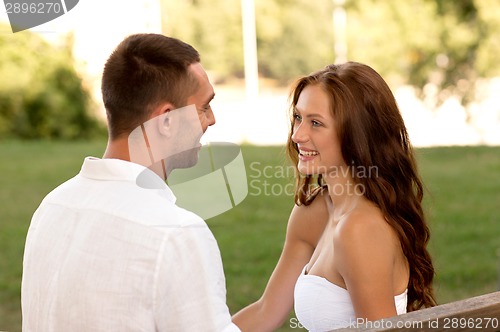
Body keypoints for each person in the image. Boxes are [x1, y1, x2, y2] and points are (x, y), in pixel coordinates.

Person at [21, 33, 240, 332]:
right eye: (204, 106)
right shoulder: (176, 234)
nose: (211, 119)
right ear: (166, 120)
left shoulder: (52, 207)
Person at [232, 62, 436, 331]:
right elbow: (266, 310)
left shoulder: (360, 229)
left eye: (316, 123)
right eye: (298, 117)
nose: (297, 135)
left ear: (357, 135)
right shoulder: (314, 211)